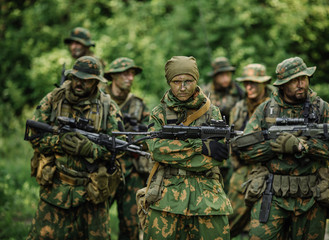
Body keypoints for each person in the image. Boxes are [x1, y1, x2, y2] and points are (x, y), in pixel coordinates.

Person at [231, 57, 329, 239]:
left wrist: (302, 146)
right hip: (271, 194)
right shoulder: (265, 110)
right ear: (282, 85)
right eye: (294, 80)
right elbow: (246, 150)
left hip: (312, 196)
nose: (300, 84)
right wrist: (276, 147)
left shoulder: (323, 109)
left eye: (303, 78)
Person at [27, 56, 124, 239]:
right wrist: (60, 143)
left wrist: (91, 150)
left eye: (86, 80)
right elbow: (34, 135)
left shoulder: (108, 108)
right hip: (56, 187)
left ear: (95, 82)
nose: (79, 83)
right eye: (76, 78)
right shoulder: (53, 100)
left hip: (92, 191)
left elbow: (120, 148)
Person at [143, 56, 233, 239]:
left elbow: (217, 157)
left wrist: (176, 152)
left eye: (188, 81)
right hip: (166, 195)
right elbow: (158, 151)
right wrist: (200, 146)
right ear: (169, 82)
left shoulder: (211, 112)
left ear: (196, 80)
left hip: (208, 196)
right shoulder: (159, 113)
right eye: (176, 82)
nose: (182, 87)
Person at [103, 57, 150, 240]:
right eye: (125, 73)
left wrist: (137, 140)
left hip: (131, 172)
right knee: (94, 221)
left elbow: (149, 135)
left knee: (131, 226)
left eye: (132, 74)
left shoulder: (138, 104)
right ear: (113, 76)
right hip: (103, 169)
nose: (130, 78)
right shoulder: (99, 100)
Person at [227, 63, 274, 238]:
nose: (249, 87)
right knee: (228, 221)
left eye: (254, 83)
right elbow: (233, 140)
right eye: (246, 83)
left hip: (270, 170)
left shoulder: (275, 105)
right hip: (244, 169)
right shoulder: (238, 108)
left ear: (263, 83)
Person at [202, 56, 244, 193]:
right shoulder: (205, 93)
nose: (225, 78)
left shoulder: (238, 92)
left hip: (234, 144)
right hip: (212, 145)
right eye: (221, 75)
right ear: (215, 76)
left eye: (228, 74)